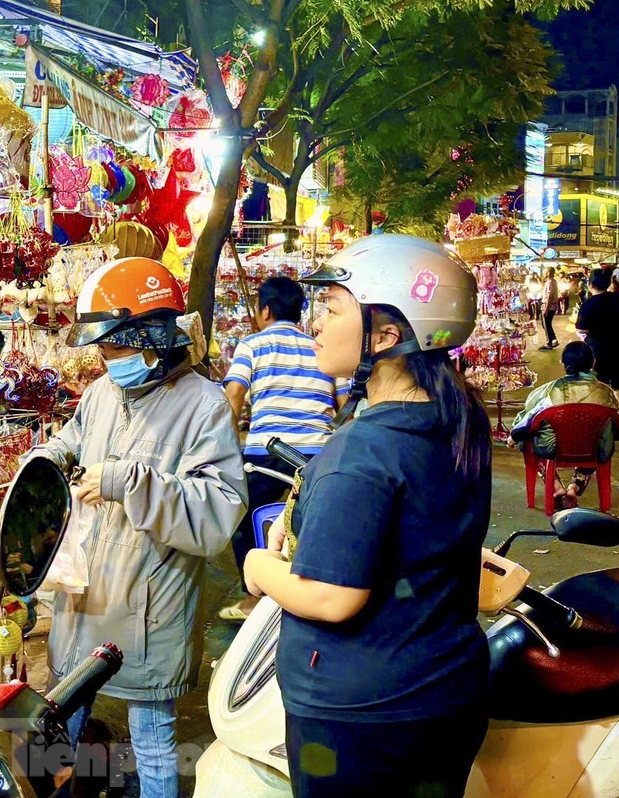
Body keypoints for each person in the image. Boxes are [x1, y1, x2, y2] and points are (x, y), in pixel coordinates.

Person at [243, 236, 491, 797]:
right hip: (445, 695)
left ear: (386, 335)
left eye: (330, 308)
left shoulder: (364, 449)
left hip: (361, 716)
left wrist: (259, 566)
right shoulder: (459, 417)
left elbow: (333, 596)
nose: (315, 325)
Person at [28, 257, 246, 798]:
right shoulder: (104, 391)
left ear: (152, 337)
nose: (106, 358)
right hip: (84, 605)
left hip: (151, 612)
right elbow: (73, 439)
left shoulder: (202, 403)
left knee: (151, 740)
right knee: (57, 730)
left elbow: (218, 511)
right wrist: (44, 463)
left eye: (116, 346)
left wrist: (129, 482)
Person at [219, 276, 345, 622]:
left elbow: (233, 398)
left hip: (265, 453)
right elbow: (346, 403)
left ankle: (253, 598)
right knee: (315, 522)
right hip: (317, 456)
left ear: (266, 310)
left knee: (241, 516)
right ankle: (310, 587)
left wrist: (230, 451)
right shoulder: (321, 345)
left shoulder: (252, 345)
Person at [509, 341, 619, 507]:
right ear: (593, 363)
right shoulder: (606, 392)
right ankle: (574, 487)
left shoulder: (549, 391)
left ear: (563, 364)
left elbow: (526, 422)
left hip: (554, 449)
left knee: (527, 440)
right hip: (592, 450)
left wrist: (514, 436)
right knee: (600, 441)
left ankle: (557, 487)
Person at [576, 268, 619, 431]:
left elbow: (582, 329)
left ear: (590, 285)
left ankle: (600, 422)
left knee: (600, 385)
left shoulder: (588, 304)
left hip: (597, 351)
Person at [539, 267, 560, 349]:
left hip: (549, 306)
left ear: (548, 273)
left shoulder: (550, 282)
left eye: (545, 272)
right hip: (550, 306)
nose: (543, 273)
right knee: (546, 325)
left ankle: (549, 343)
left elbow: (549, 297)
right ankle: (553, 339)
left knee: (546, 325)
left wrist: (546, 309)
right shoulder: (551, 282)